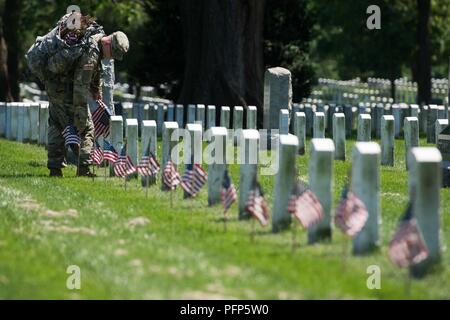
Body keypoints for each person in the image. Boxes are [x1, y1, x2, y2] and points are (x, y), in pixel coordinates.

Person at [43, 14, 129, 177]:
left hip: (55, 86)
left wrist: (97, 90)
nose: (110, 57)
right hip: (68, 91)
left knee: (56, 125)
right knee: (87, 128)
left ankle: (54, 168)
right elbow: (81, 88)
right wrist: (81, 113)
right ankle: (84, 168)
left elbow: (92, 77)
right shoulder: (92, 52)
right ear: (108, 43)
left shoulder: (93, 40)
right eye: (113, 53)